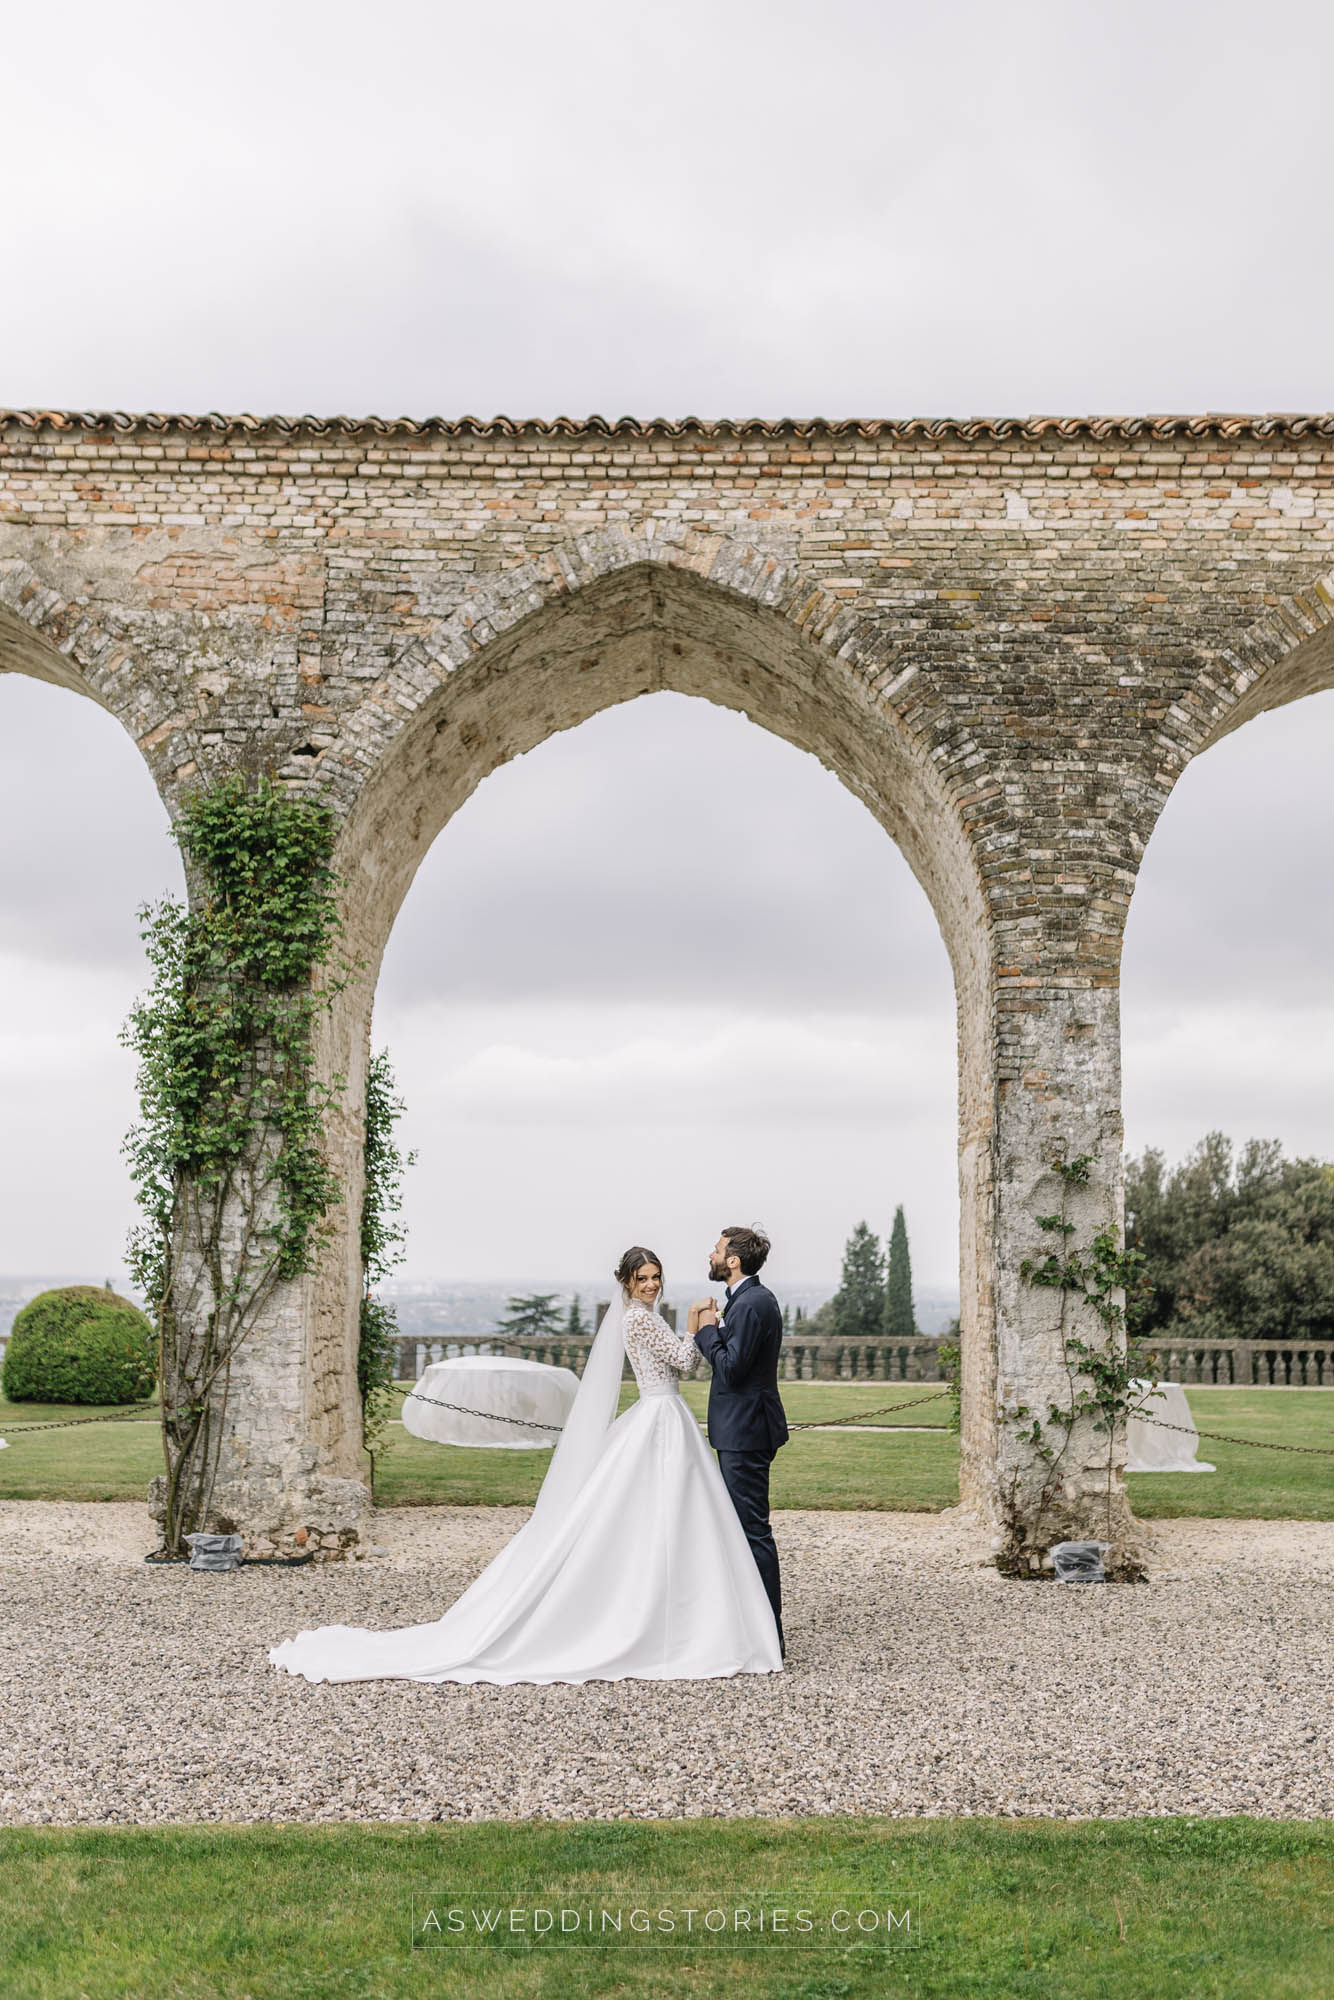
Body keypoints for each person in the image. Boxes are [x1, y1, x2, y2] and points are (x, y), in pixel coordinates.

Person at [266, 1246, 783, 1685]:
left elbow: (684, 1362)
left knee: (669, 1517)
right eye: (641, 1279)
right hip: (659, 1415)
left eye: (655, 1278)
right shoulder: (637, 1319)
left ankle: (679, 1611)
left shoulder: (644, 1318)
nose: (650, 1285)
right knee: (655, 1514)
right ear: (626, 1284)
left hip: (663, 1413)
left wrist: (693, 1326)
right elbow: (685, 1359)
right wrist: (701, 1322)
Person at [691, 1225, 788, 1659]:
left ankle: (768, 1635)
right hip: (740, 1429)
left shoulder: (751, 1304)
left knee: (752, 1531)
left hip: (746, 1432)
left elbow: (731, 1369)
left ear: (733, 1260)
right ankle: (746, 1626)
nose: (711, 1255)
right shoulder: (747, 1300)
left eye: (716, 1250)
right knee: (742, 1530)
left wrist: (707, 1330)